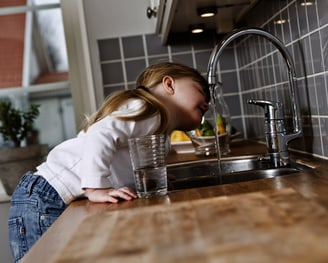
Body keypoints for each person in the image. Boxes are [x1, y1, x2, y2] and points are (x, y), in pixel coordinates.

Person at [8, 62, 210, 262]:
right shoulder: (149, 110)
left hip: (49, 195)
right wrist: (96, 188)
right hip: (46, 195)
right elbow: (100, 134)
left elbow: (121, 161)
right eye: (201, 90)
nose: (207, 103)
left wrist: (149, 179)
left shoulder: (158, 132)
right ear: (169, 84)